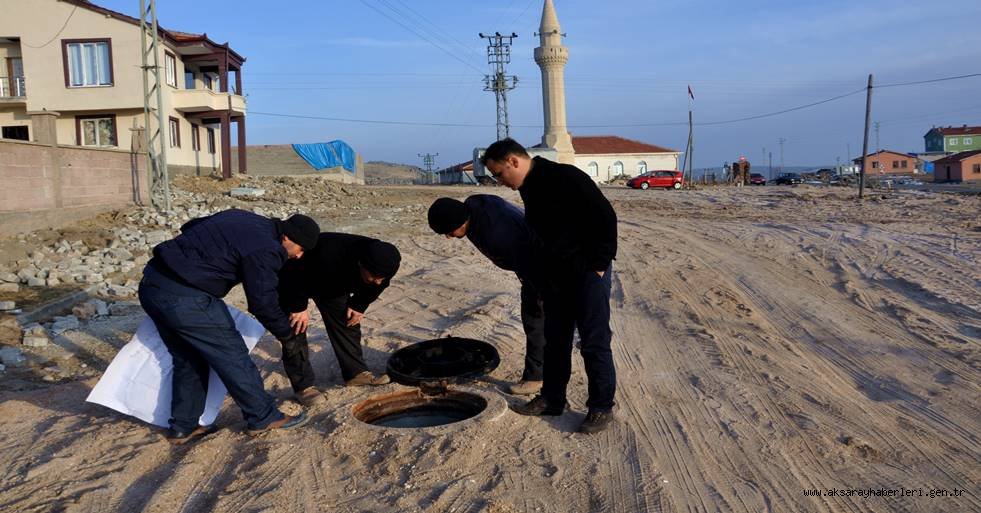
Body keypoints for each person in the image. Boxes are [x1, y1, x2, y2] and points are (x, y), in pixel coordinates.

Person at [138, 209, 319, 444]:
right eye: (301, 249)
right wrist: (285, 333)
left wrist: (205, 258)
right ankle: (263, 416)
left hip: (152, 284)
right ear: (287, 238)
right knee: (232, 355)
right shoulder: (268, 249)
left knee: (189, 358)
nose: (298, 256)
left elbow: (192, 226)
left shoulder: (244, 216)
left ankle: (184, 426)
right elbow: (262, 302)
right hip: (187, 298)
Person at [480, 138, 618, 434]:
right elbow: (541, 241)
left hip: (587, 273)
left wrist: (598, 264)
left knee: (594, 342)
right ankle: (552, 399)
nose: (499, 182)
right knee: (555, 341)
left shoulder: (565, 176)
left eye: (499, 174)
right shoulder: (530, 188)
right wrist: (542, 286)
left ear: (514, 161)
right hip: (556, 279)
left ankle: (601, 407)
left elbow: (605, 217)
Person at [427, 195, 545, 396]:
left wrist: (538, 290)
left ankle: (537, 378)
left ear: (459, 222)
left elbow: (529, 261)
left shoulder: (496, 235)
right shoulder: (474, 205)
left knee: (536, 319)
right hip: (536, 254)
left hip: (544, 263)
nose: (448, 237)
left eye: (448, 231)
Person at [276, 233, 401, 406]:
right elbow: (292, 273)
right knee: (294, 329)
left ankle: (356, 374)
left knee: (347, 320)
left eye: (382, 278)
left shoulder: (385, 263)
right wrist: (298, 307)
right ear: (361, 265)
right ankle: (303, 387)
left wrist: (358, 304)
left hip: (332, 284)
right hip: (293, 277)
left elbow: (378, 284)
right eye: (374, 276)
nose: (378, 282)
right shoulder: (328, 254)